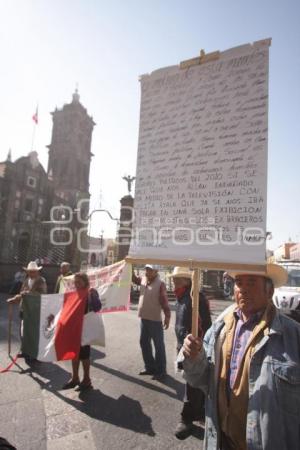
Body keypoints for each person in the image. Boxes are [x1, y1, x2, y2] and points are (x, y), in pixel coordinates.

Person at [180, 264, 300, 450]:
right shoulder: (220, 328)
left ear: (270, 292)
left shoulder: (293, 335)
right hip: (221, 441)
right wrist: (193, 357)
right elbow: (201, 379)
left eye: (251, 283)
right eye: (239, 282)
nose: (243, 288)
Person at [168, 267, 212, 439]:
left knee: (191, 384)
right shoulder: (182, 296)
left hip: (193, 349)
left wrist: (196, 348)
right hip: (183, 346)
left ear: (187, 281)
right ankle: (199, 412)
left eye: (178, 279)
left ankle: (186, 418)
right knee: (193, 383)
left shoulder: (194, 298)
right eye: (174, 279)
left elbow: (203, 326)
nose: (174, 282)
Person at [62, 272, 101, 391]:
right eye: (75, 282)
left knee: (84, 355)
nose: (77, 284)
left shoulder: (91, 293)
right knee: (74, 353)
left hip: (85, 329)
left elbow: (97, 307)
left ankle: (87, 380)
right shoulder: (73, 293)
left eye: (79, 282)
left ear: (86, 282)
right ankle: (75, 378)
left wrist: (93, 296)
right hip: (74, 329)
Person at [132, 264, 171, 380]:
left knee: (158, 345)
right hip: (144, 317)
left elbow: (164, 302)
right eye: (146, 269)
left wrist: (167, 316)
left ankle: (161, 371)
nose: (146, 271)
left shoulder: (160, 284)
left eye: (149, 270)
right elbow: (134, 279)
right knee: (144, 342)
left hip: (155, 319)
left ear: (156, 271)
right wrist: (130, 267)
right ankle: (150, 367)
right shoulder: (144, 279)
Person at [7, 261, 47, 360]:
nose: (31, 273)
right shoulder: (26, 280)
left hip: (35, 310)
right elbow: (21, 293)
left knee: (33, 333)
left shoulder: (41, 281)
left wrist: (28, 293)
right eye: (30, 271)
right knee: (23, 331)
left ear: (37, 272)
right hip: (24, 309)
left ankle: (34, 353)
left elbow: (42, 294)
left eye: (33, 271)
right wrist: (15, 299)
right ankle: (25, 351)